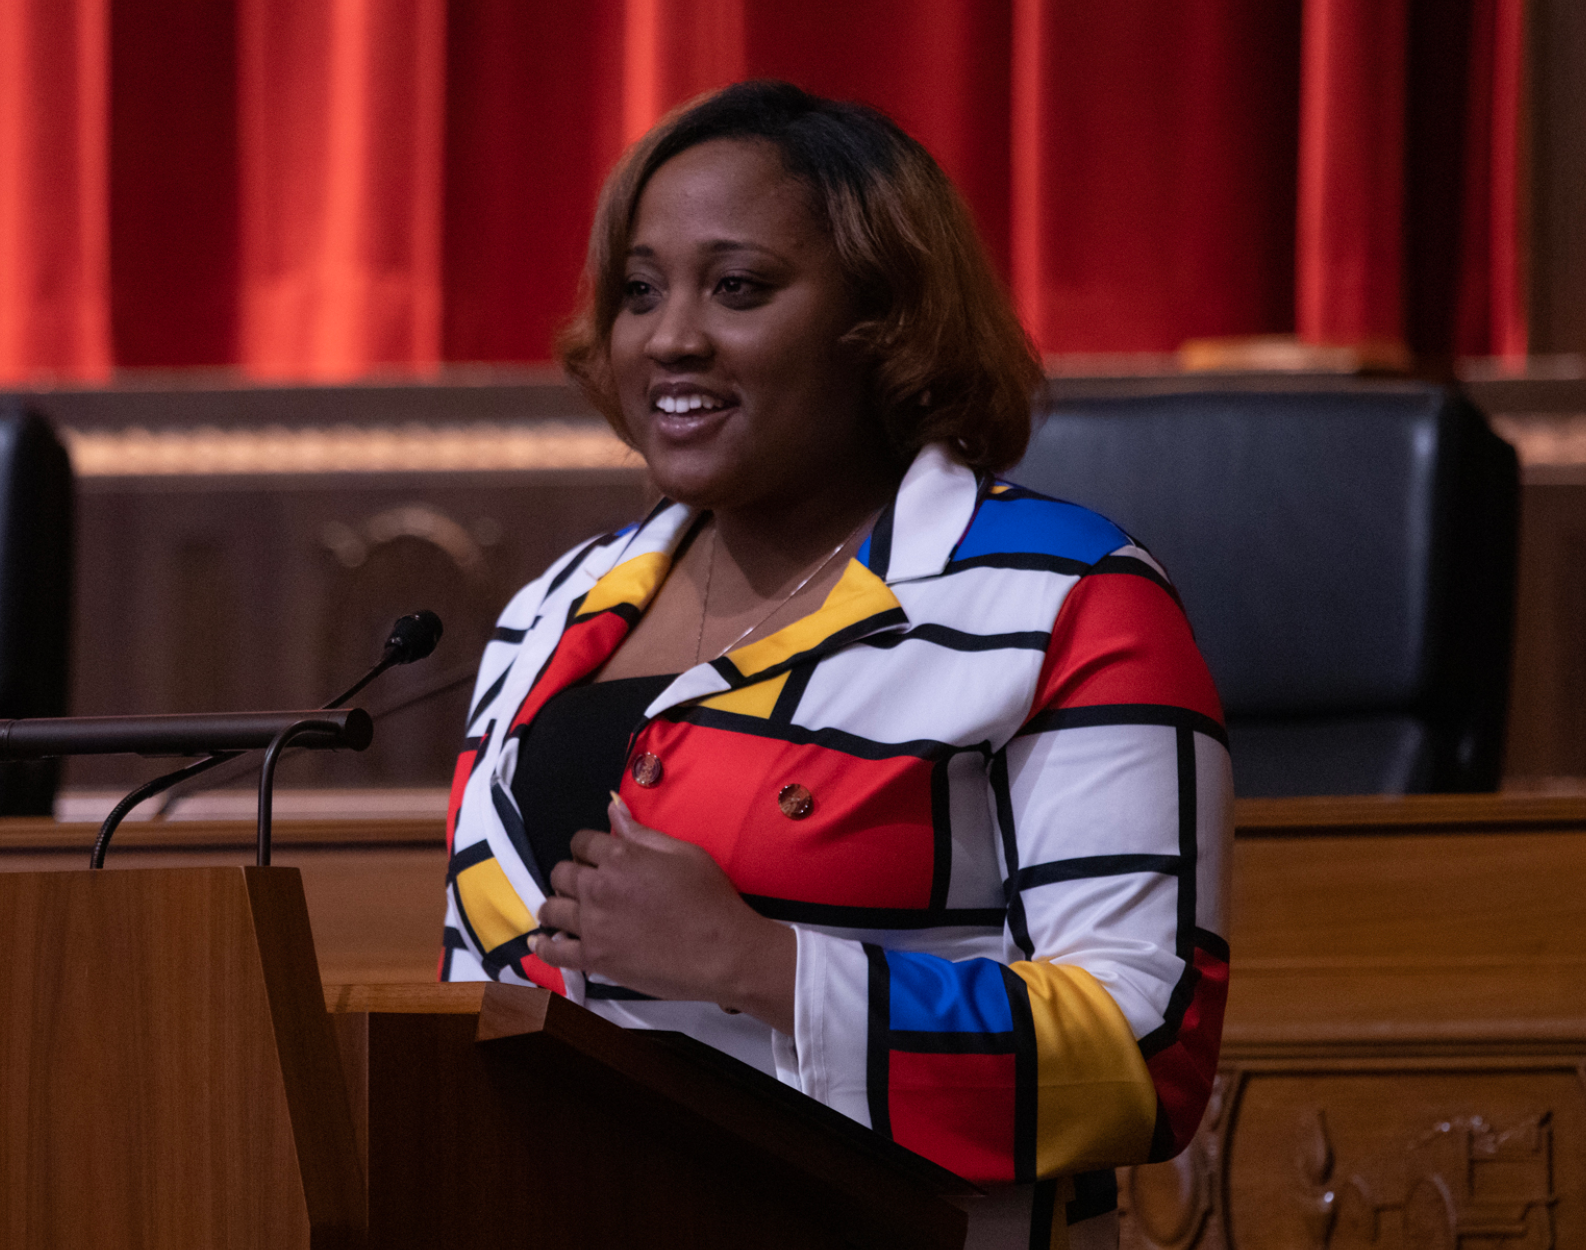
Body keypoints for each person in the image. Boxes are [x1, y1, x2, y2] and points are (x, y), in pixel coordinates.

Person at [439, 79, 1229, 1250]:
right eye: (641, 291)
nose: (671, 336)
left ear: (884, 320)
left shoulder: (1066, 599)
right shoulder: (551, 610)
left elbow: (1139, 1052)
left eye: (739, 287)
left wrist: (760, 964)